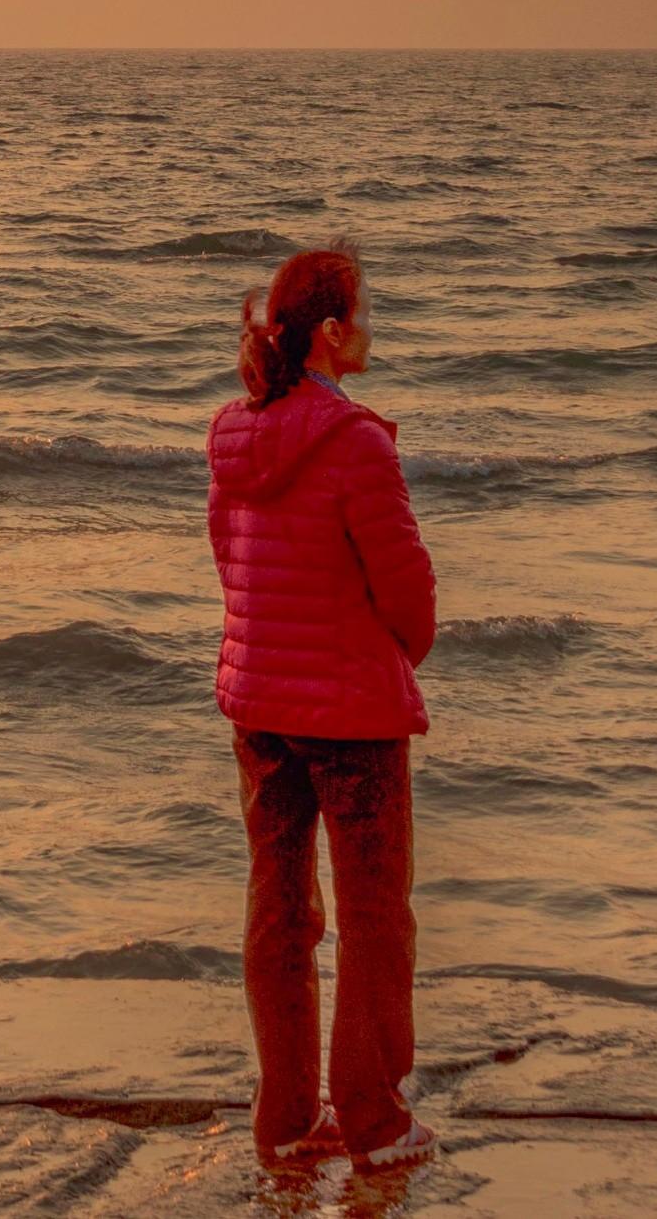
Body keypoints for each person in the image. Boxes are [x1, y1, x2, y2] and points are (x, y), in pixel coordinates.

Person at [209, 246, 438, 1175]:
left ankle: (288, 1118)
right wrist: (394, 658)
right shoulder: (354, 440)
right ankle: (376, 1123)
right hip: (348, 710)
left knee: (279, 910)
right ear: (333, 332)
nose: (373, 329)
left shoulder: (234, 432)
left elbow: (230, 560)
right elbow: (408, 591)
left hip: (258, 702)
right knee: (376, 918)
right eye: (366, 312)